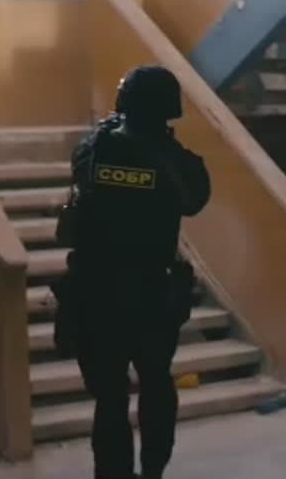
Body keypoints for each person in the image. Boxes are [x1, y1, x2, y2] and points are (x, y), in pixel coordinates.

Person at [64, 65, 211, 479]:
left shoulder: (93, 150)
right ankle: (152, 472)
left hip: (99, 292)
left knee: (110, 396)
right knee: (156, 383)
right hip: (153, 293)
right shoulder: (179, 162)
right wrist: (162, 152)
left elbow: (81, 178)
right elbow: (194, 201)